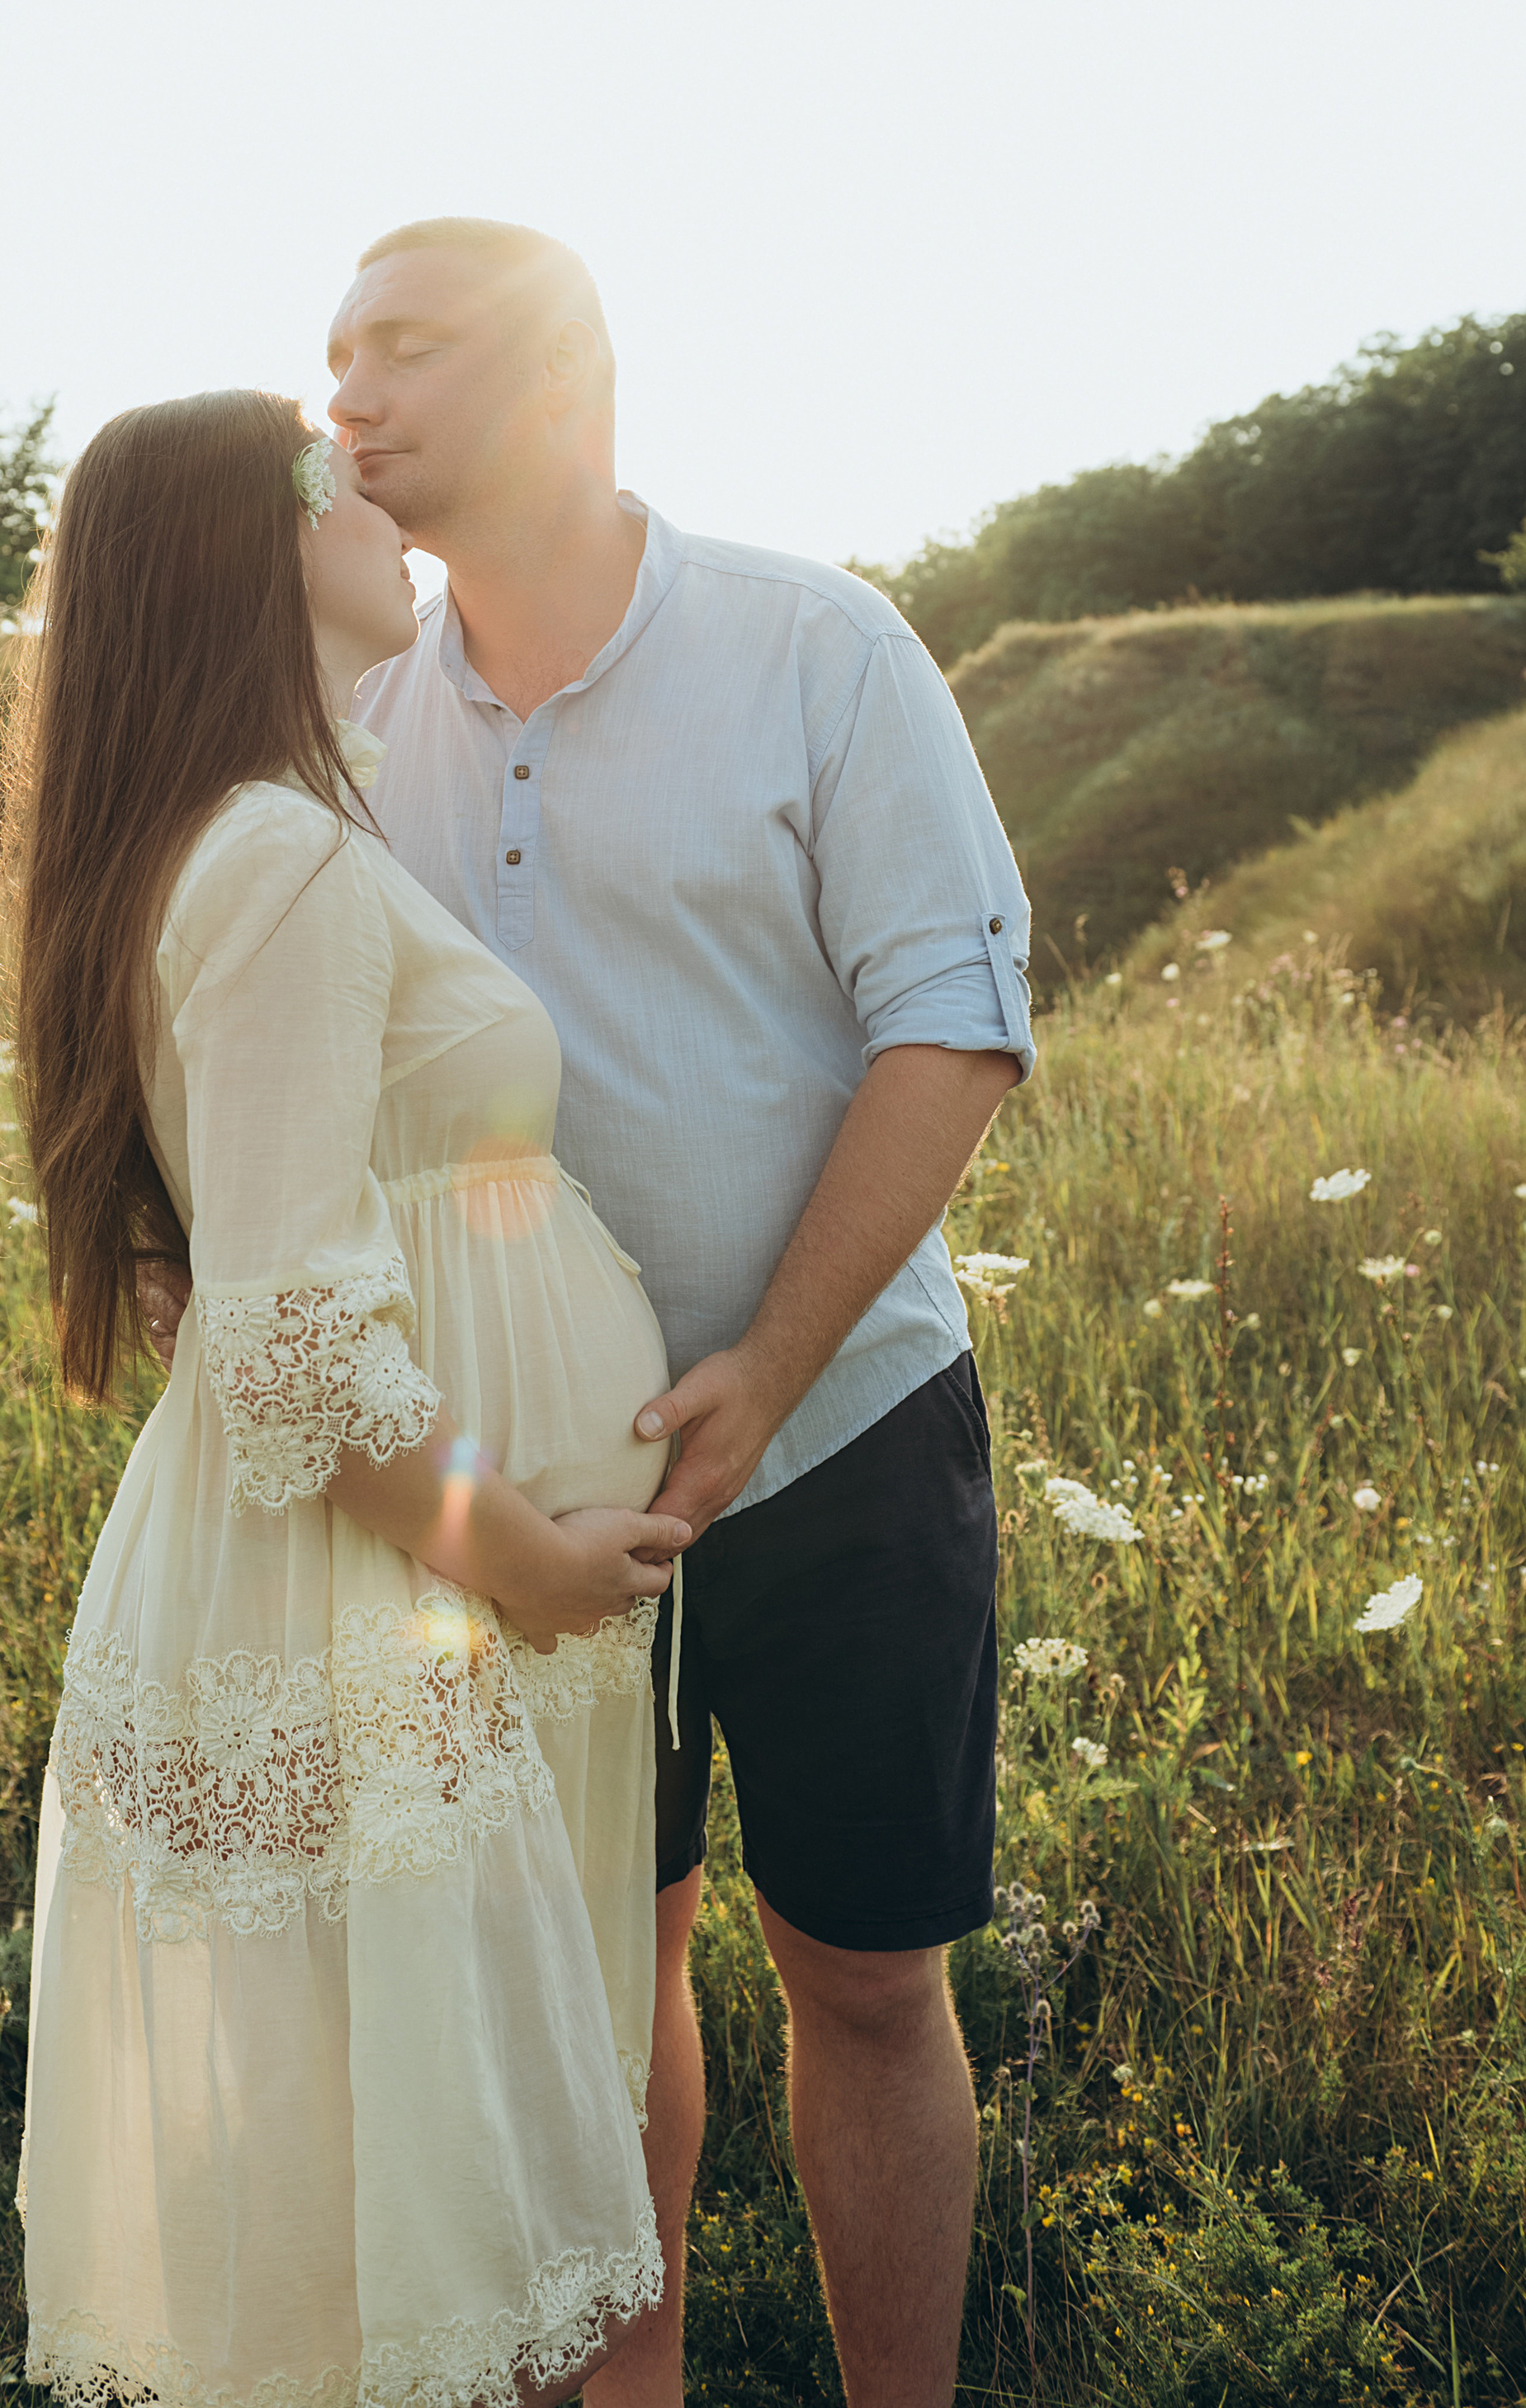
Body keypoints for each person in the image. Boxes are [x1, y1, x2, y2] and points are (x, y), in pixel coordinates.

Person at [329, 220, 1035, 2408]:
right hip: (538, 1494)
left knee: (863, 1978)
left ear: (566, 379)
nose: (347, 389)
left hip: (841, 1440)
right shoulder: (359, 733)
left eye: (405, 347)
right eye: (333, 352)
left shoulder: (815, 646)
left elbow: (954, 1018)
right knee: (588, 1992)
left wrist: (773, 1365)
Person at [0, 389, 694, 2407]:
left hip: (387, 1565)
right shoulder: (279, 857)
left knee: (391, 2133)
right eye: (326, 474)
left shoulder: (244, 834)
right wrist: (524, 1563)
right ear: (243, 550)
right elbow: (290, 1313)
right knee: (414, 2159)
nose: (374, 499)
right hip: (416, 1578)